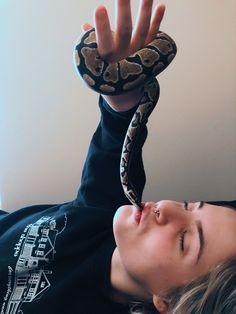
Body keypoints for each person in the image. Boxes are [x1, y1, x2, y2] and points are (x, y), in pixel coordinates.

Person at [0, 1, 236, 313]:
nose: (164, 208)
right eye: (188, 206)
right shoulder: (101, 212)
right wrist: (122, 94)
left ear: (170, 303)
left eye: (184, 240)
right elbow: (117, 138)